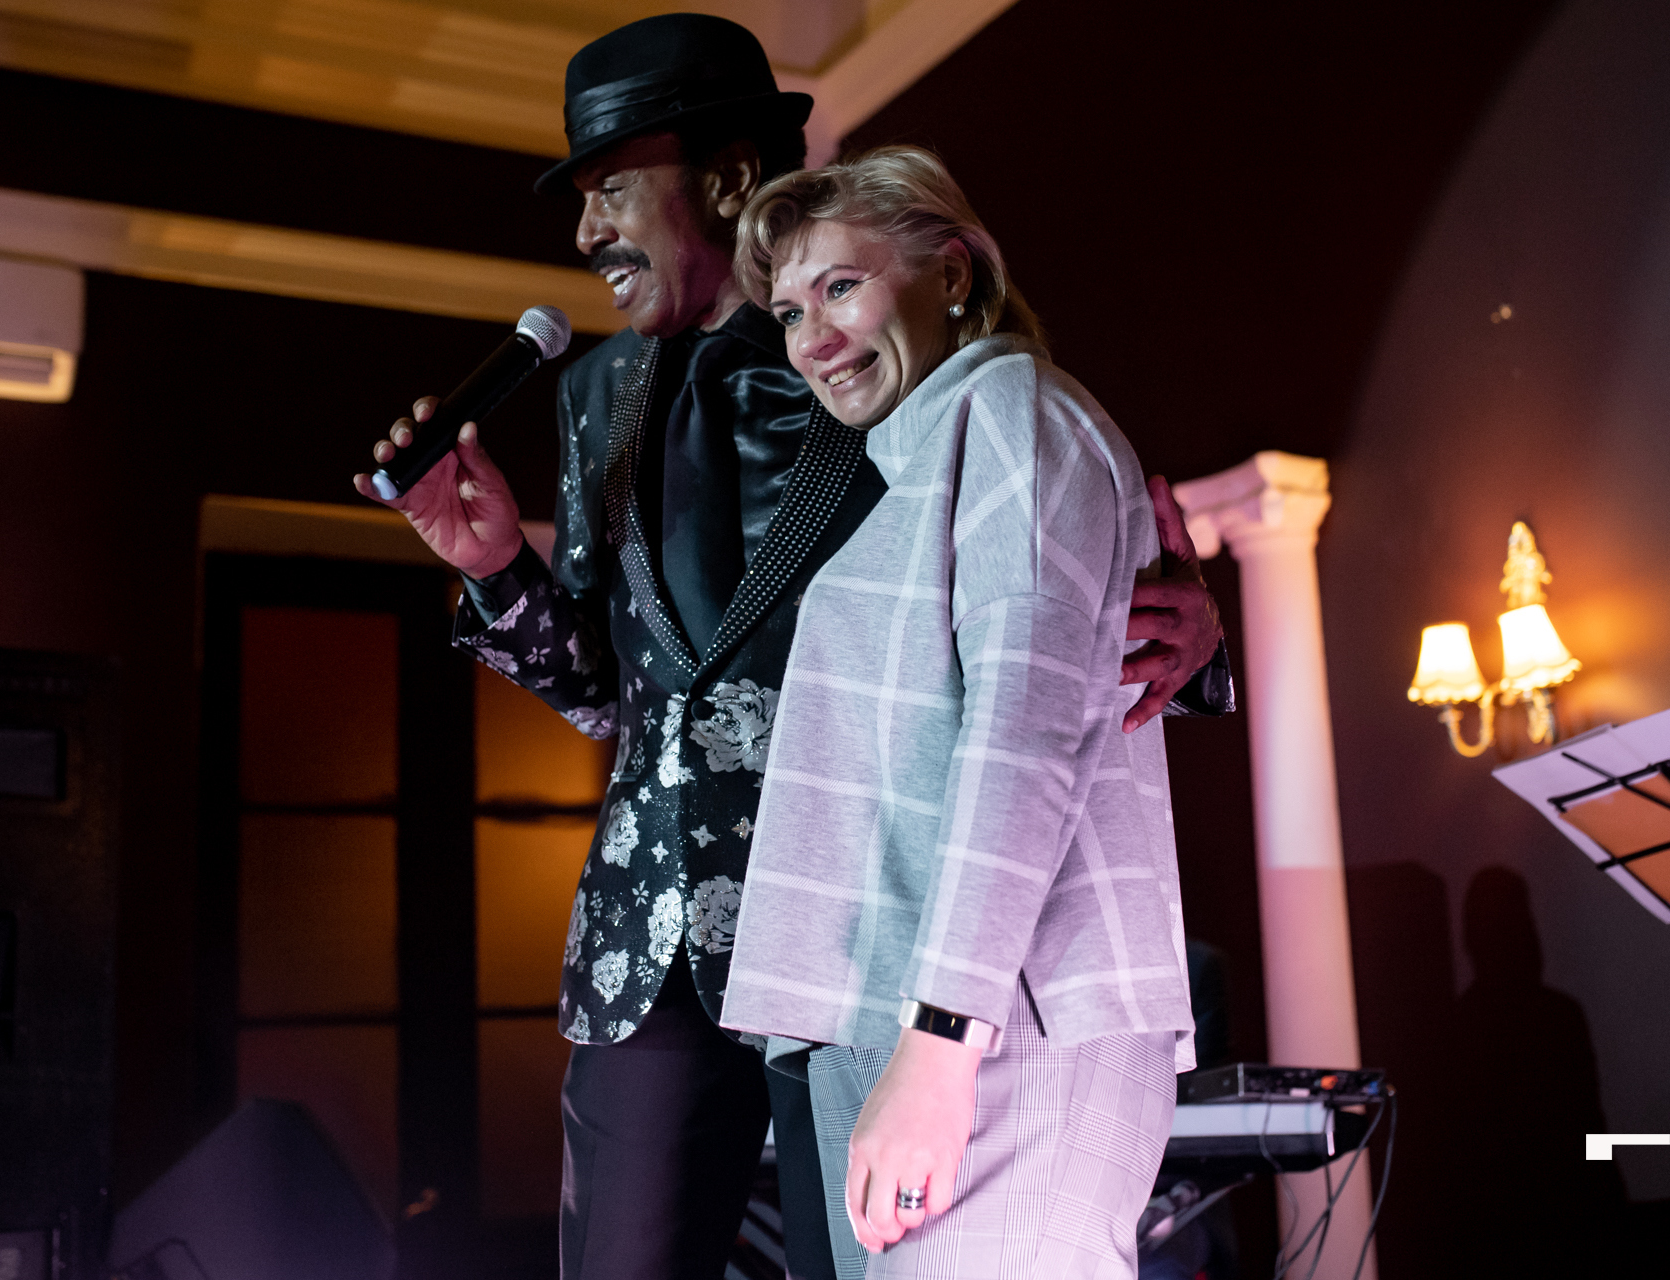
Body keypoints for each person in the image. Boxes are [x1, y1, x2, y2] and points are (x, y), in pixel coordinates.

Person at [353, 18, 1228, 1279]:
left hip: (867, 916)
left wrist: (1189, 637)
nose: (588, 231)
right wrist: (495, 570)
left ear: (724, 178)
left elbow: (1046, 608)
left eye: (611, 187)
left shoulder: (908, 364)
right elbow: (616, 689)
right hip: (654, 934)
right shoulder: (594, 395)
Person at [719, 146, 1197, 1280]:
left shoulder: (1014, 411)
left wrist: (940, 1039)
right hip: (913, 1017)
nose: (812, 337)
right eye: (789, 311)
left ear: (952, 272)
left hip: (1002, 1025)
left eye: (841, 287)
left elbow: (1022, 736)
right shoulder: (924, 456)